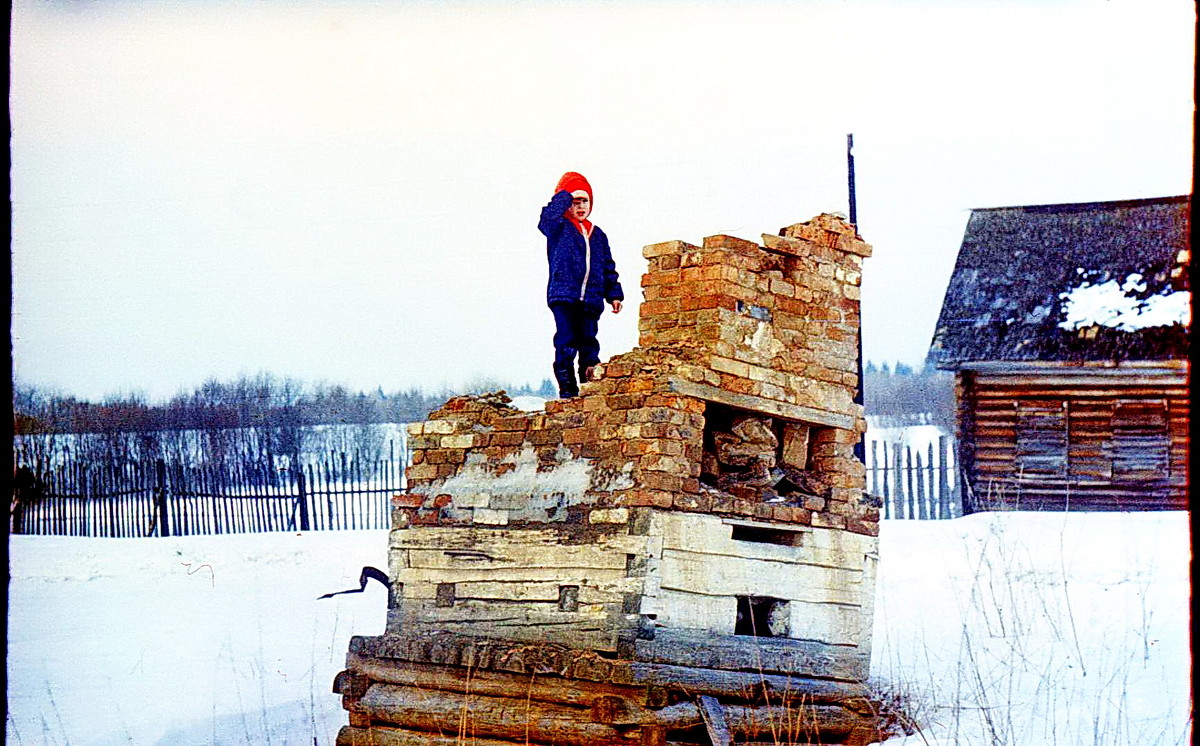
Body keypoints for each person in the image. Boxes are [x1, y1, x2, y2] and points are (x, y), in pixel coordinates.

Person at [538, 171, 624, 398]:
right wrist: (564, 195)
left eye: (584, 201)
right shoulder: (558, 228)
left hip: (591, 299)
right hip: (564, 295)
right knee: (566, 339)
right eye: (574, 202)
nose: (580, 206)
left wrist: (614, 294)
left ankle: (590, 387)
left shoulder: (598, 235)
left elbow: (608, 266)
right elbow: (546, 219)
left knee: (588, 342)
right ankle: (567, 389)